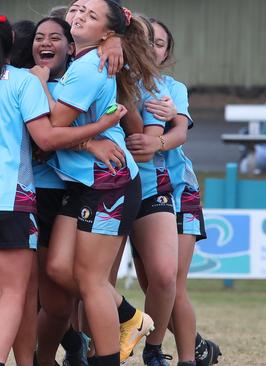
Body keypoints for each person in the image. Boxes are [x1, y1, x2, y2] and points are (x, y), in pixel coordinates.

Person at [0, 11, 125, 366]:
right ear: (14, 44)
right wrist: (101, 127)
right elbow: (45, 138)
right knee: (12, 294)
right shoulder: (21, 82)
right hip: (10, 201)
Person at [31, 1, 162, 364]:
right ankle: (130, 316)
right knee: (58, 267)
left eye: (90, 15)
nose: (79, 17)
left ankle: (107, 353)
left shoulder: (90, 66)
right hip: (84, 182)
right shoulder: (88, 57)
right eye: (77, 10)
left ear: (107, 32)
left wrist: (40, 82)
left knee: (91, 282)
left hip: (110, 182)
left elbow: (53, 123)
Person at [126, 17, 222, 366]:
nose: (152, 47)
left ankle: (184, 357)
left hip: (176, 189)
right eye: (148, 39)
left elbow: (180, 133)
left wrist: (157, 141)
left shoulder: (171, 88)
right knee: (153, 285)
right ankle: (195, 344)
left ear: (167, 53)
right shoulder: (115, 80)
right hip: (130, 190)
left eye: (161, 43)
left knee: (171, 282)